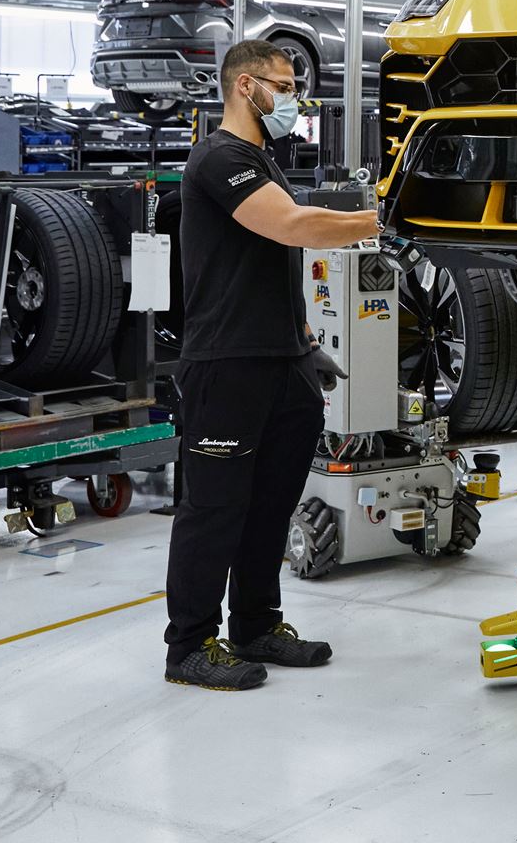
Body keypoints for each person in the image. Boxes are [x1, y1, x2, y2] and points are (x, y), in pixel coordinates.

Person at [163, 38, 380, 692]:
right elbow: (289, 226)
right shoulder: (220, 157)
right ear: (244, 86)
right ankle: (190, 647)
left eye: (294, 88)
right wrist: (383, 219)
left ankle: (255, 625)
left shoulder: (259, 158)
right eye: (283, 86)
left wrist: (305, 341)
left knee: (271, 508)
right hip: (227, 365)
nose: (293, 99)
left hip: (285, 362)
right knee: (214, 510)